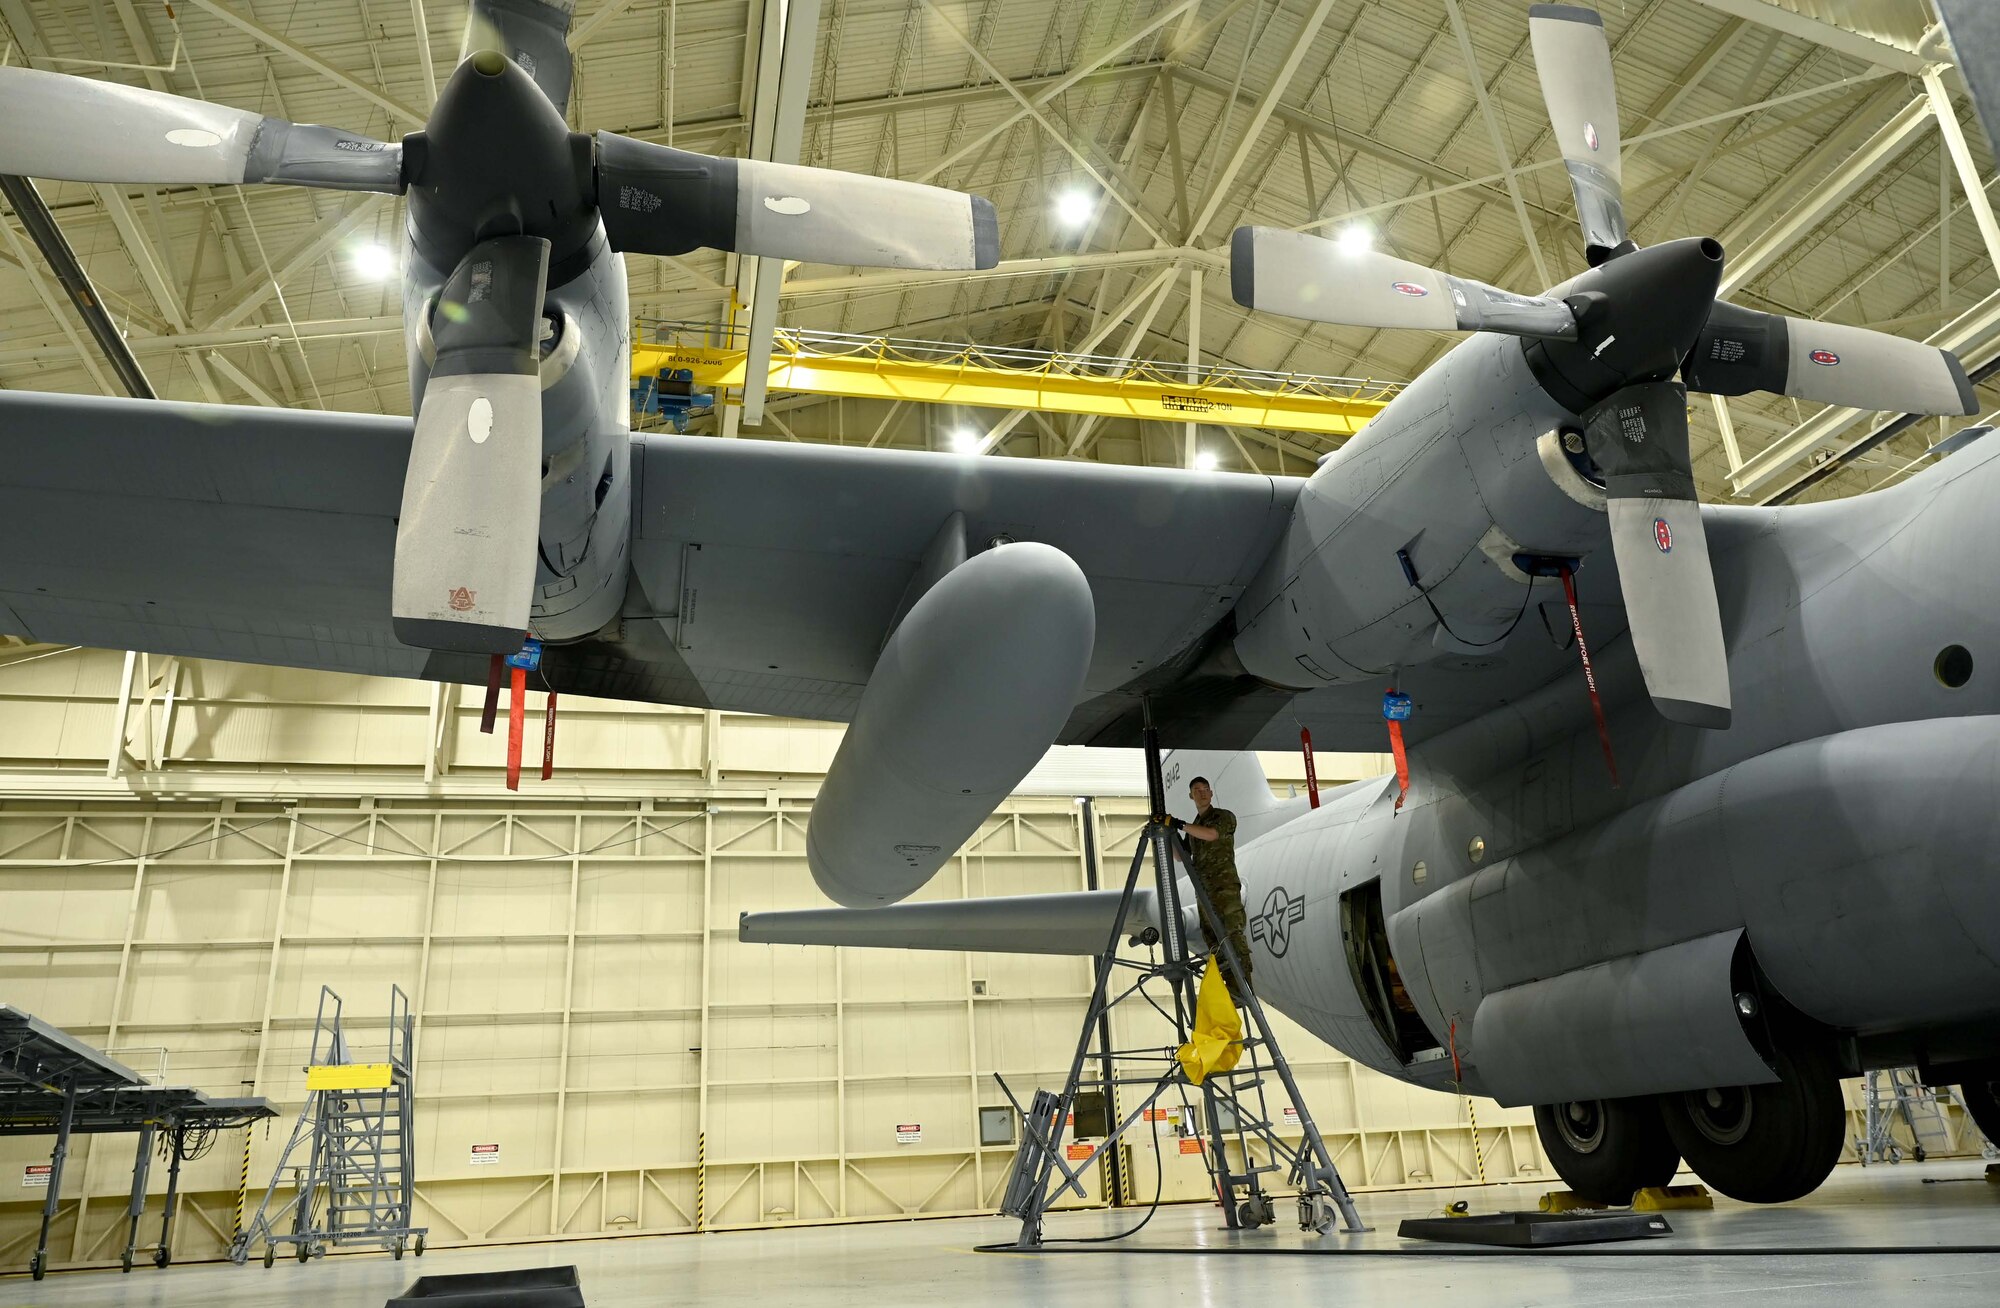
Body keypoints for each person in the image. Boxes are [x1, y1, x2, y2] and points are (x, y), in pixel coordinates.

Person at [1174, 776, 1252, 1005]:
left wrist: (1178, 824)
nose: (1202, 793)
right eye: (1196, 790)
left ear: (1211, 792)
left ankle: (1243, 987)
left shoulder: (1223, 817)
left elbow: (1212, 835)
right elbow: (1180, 856)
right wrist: (1169, 834)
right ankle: (1230, 988)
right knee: (1214, 941)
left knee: (1232, 934)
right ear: (1191, 796)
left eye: (1205, 789)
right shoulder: (1194, 828)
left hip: (1224, 888)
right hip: (1205, 892)